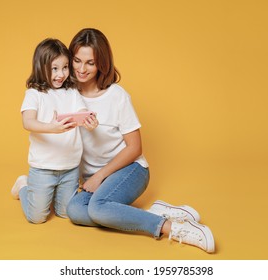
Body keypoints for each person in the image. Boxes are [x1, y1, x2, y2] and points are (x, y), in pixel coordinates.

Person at [66, 28, 215, 253]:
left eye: (90, 63)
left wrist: (100, 175)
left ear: (101, 64)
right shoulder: (67, 95)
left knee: (97, 209)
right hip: (95, 181)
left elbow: (135, 148)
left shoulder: (117, 96)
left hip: (131, 169)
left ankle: (171, 228)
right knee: (75, 212)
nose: (81, 69)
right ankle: (156, 212)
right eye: (77, 60)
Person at [11, 38, 98, 224]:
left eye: (65, 67)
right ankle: (24, 186)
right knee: (37, 218)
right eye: (54, 68)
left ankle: (46, 194)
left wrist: (88, 119)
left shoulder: (72, 92)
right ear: (41, 67)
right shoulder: (34, 94)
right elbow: (28, 122)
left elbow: (81, 110)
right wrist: (52, 128)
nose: (61, 74)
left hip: (70, 167)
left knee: (66, 213)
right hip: (43, 168)